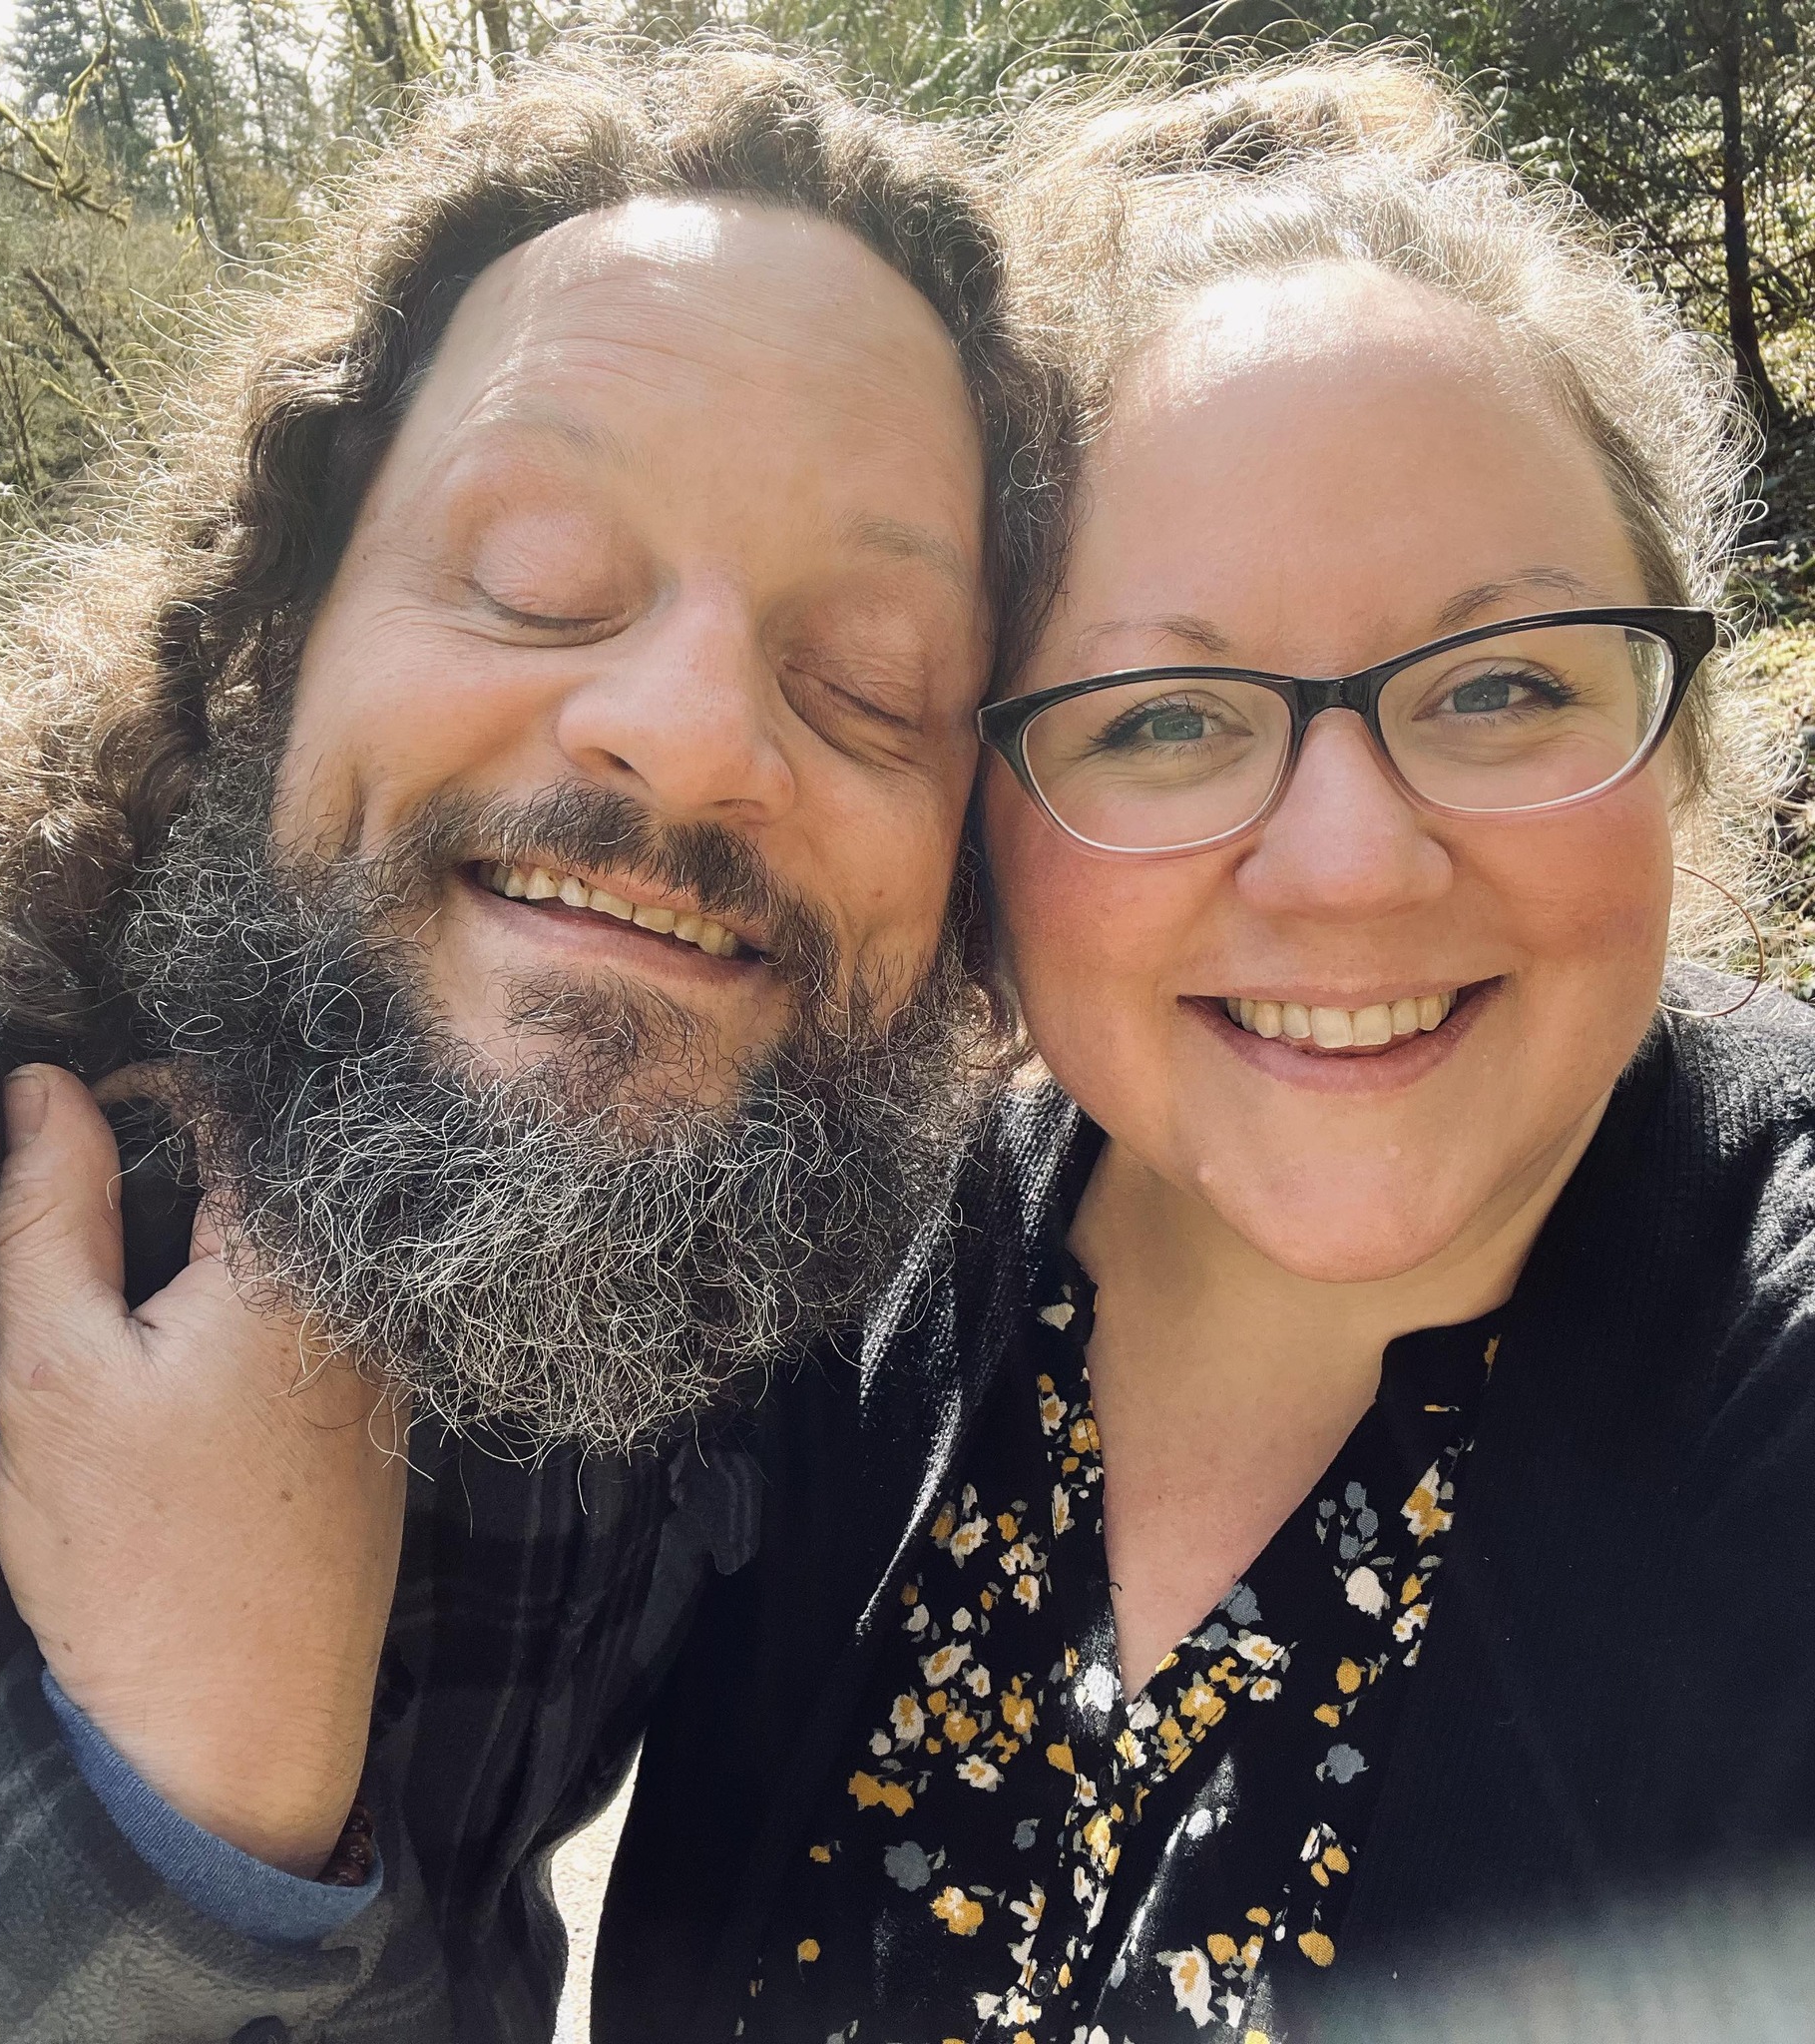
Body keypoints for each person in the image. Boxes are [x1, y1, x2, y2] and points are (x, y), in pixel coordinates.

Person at [0, 41, 1065, 2041]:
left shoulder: (778, 1158)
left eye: (874, 686)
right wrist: (184, 1819)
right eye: (538, 576)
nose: (701, 731)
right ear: (279, 616)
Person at [596, 52, 1815, 2044]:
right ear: (980, 818)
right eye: (1161, 717)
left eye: (1501, 682)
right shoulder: (821, 1293)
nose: (1345, 862)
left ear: (1668, 733)